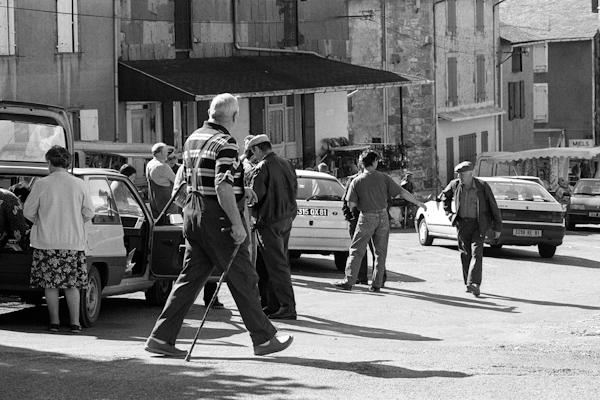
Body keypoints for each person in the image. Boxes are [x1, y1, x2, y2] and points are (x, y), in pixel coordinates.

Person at [145, 93, 292, 357]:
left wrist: (240, 189)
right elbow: (221, 185)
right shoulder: (226, 143)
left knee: (189, 280)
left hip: (193, 213)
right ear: (234, 116)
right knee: (244, 277)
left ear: (211, 113)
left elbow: (198, 181)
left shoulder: (193, 138)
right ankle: (264, 338)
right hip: (218, 218)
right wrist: (237, 223)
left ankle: (161, 337)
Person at [23, 145, 94, 333]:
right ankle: (75, 323)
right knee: (72, 286)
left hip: (46, 241)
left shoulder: (41, 184)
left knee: (51, 285)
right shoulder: (79, 184)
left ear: (49, 162)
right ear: (67, 162)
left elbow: (28, 212)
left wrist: (41, 219)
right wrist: (75, 220)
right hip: (72, 241)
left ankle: (54, 322)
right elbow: (89, 212)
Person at [333, 150, 426, 292]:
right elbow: (402, 192)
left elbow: (350, 204)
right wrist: (419, 203)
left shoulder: (356, 181)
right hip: (383, 216)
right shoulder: (384, 178)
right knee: (380, 252)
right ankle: (377, 284)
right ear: (375, 161)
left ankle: (349, 280)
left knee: (357, 250)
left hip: (366, 216)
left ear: (362, 163)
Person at [247, 134, 298, 320]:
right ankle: (273, 304)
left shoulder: (262, 167)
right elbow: (294, 189)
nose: (254, 156)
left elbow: (254, 197)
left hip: (269, 221)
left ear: (257, 149)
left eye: (253, 152)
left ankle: (286, 306)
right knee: (275, 263)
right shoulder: (286, 163)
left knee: (276, 266)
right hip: (285, 218)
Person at [441, 161, 502, 297]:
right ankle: (468, 283)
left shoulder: (482, 186)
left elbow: (493, 206)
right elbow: (444, 197)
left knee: (476, 253)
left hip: (478, 225)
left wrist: (497, 227)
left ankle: (474, 284)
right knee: (465, 254)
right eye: (459, 174)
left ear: (471, 173)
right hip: (462, 224)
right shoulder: (455, 184)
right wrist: (450, 215)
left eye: (463, 174)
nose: (460, 177)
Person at [341, 168, 369, 285]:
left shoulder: (374, 180)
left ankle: (378, 278)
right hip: (357, 219)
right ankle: (361, 277)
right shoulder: (353, 180)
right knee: (358, 249)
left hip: (370, 217)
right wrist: (350, 218)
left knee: (375, 249)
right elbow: (346, 201)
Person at [146, 142, 176, 218]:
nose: (167, 154)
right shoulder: (162, 166)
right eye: (165, 152)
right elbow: (177, 182)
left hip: (154, 205)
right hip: (167, 207)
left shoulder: (149, 164)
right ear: (159, 153)